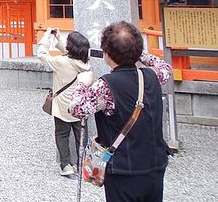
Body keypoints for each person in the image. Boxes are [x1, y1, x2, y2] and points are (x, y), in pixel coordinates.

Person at [70, 21, 172, 202]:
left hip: (124, 170)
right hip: (155, 165)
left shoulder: (106, 85)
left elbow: (77, 108)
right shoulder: (152, 75)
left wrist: (82, 84)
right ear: (138, 50)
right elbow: (165, 68)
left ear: (106, 55)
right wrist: (142, 56)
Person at [38, 27, 91, 177]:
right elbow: (69, 52)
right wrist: (59, 38)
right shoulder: (84, 63)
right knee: (81, 135)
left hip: (62, 106)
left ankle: (66, 165)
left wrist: (46, 37)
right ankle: (82, 164)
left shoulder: (61, 62)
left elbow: (41, 54)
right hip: (79, 105)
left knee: (62, 134)